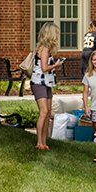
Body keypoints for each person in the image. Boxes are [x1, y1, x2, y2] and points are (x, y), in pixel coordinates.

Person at [31, 22, 64, 150]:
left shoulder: (48, 49)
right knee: (43, 112)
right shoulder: (44, 48)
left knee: (48, 112)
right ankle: (39, 142)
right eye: (55, 33)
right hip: (39, 83)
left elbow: (47, 68)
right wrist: (55, 65)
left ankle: (44, 142)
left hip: (47, 83)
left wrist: (57, 66)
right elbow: (44, 68)